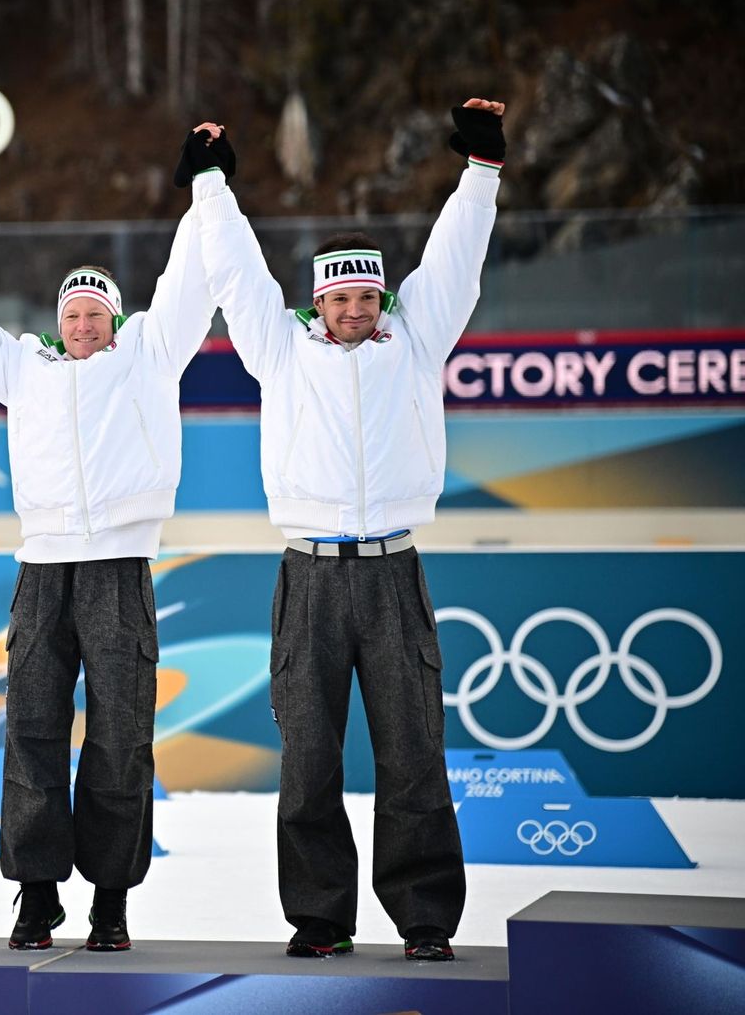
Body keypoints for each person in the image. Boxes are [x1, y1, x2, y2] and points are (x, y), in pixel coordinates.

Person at [0, 131, 223, 951]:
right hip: (41, 571)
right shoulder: (23, 369)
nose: (82, 326)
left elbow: (187, 284)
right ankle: (38, 895)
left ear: (115, 321)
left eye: (95, 315)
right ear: (58, 321)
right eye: (71, 314)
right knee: (33, 731)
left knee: (120, 737)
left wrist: (206, 186)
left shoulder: (147, 356)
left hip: (117, 566)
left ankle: (110, 900)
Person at [191, 100, 507, 962]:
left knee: (413, 756)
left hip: (394, 572)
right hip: (310, 577)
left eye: (369, 296)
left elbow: (454, 263)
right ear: (319, 301)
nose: (357, 310)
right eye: (341, 298)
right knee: (310, 761)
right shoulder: (280, 349)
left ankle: (426, 920)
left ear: (383, 298)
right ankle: (321, 919)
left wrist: (481, 173)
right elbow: (237, 274)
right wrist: (212, 184)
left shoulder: (417, 338)